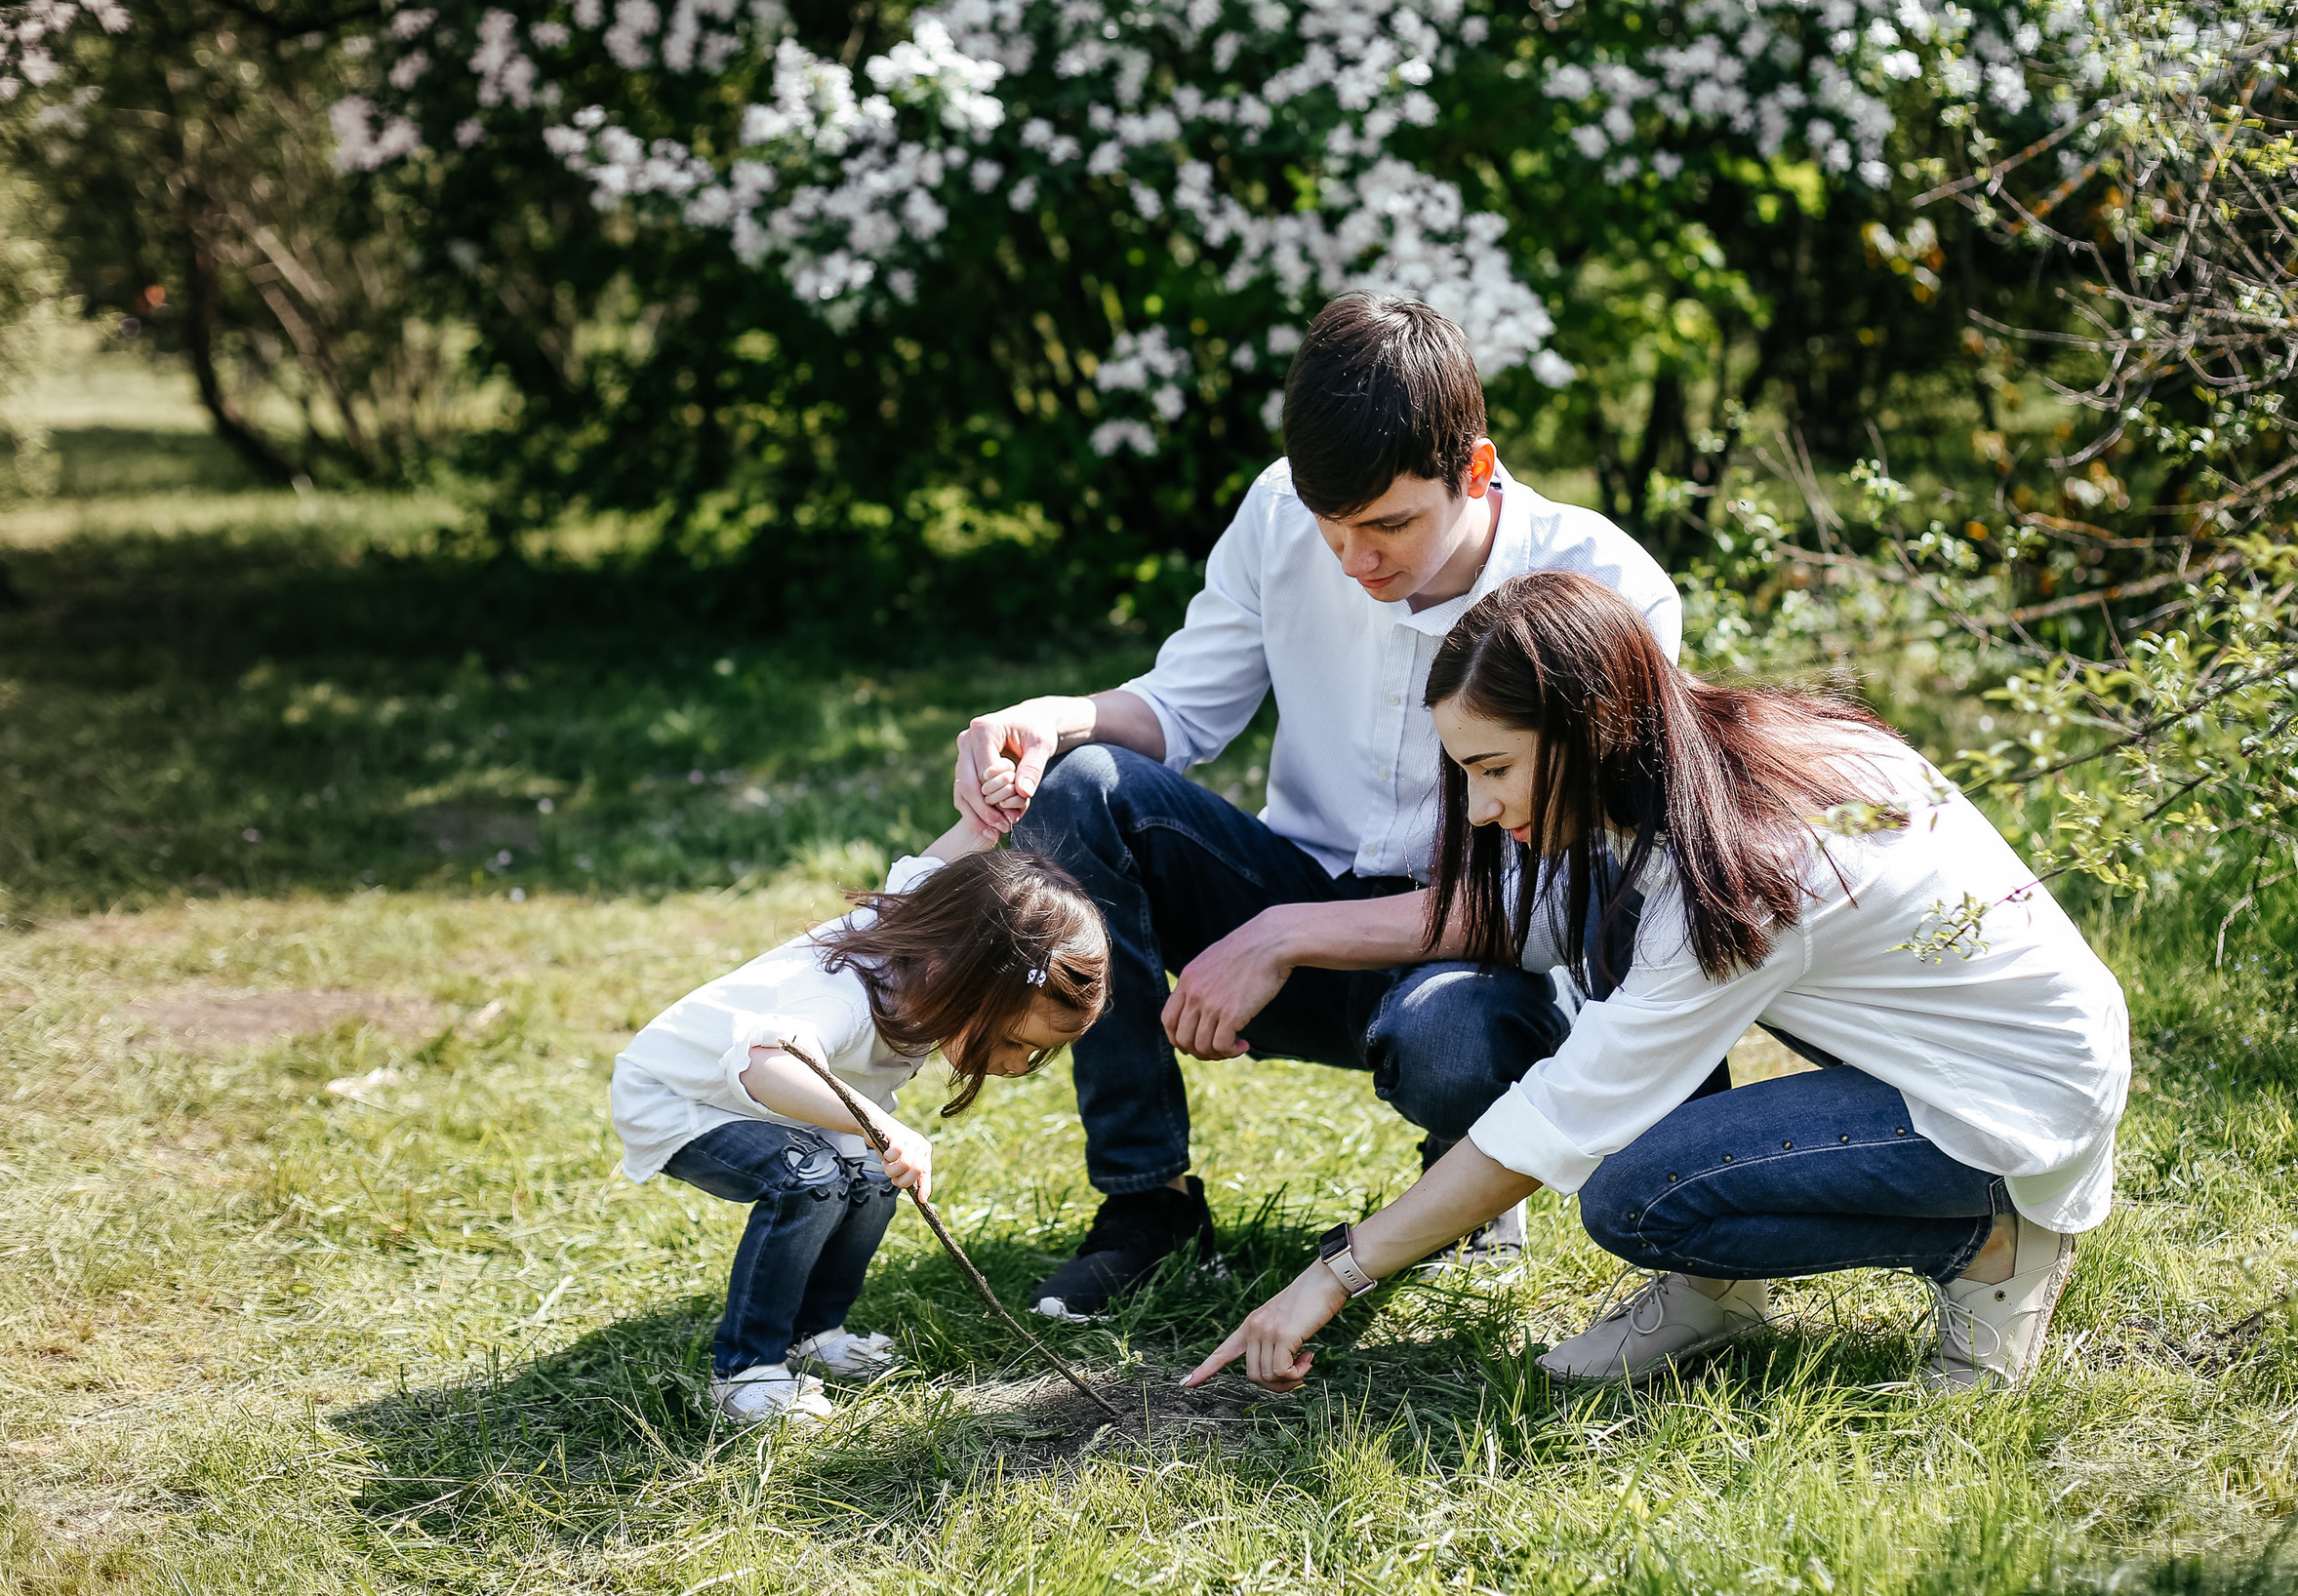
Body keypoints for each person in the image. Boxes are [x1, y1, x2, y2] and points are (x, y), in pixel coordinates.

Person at [1188, 571, 2131, 1395]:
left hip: (2011, 1102)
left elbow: (1562, 1114)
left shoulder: (1746, 864)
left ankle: (1992, 1250)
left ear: (1589, 725)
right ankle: (1717, 1296)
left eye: (1494, 768)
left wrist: (1336, 1274)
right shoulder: (1701, 768)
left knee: (1634, 1193)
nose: (1478, 807)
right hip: (1966, 1050)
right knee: (1638, 1117)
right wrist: (1288, 933)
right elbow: (1547, 922)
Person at [952, 294, 1682, 1320]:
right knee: (1081, 785)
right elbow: (1181, 708)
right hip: (1291, 888)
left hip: (1481, 964)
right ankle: (1145, 1206)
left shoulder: (1603, 587)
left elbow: (1560, 900)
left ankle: (1466, 1178)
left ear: (1475, 470)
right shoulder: (1276, 512)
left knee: (1457, 1040)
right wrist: (1052, 715)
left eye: (1388, 525)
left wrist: (1285, 936)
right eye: (1331, 528)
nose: (1354, 560)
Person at [610, 817, 1109, 1424]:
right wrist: (881, 1122)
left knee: (873, 1177)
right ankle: (745, 1371)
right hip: (681, 1095)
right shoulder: (843, 997)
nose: (1015, 1065)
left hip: (777, 1099)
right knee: (808, 1179)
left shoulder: (939, 937)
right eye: (1013, 1040)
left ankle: (815, 1334)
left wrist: (981, 820)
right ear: (961, 980)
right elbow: (766, 1065)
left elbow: (943, 870)